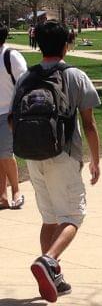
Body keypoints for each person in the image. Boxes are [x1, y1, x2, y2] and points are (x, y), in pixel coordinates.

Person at [10, 20, 101, 302]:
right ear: (66, 45)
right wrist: (96, 160)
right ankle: (48, 261)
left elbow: (14, 120)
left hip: (32, 156)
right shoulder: (75, 76)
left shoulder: (26, 78)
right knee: (73, 216)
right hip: (63, 153)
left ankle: (54, 277)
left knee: (49, 218)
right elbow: (88, 124)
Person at [0, 23, 27, 210]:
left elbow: (24, 83)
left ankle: (16, 191)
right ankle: (2, 195)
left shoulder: (10, 56)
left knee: (5, 153)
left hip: (8, 113)